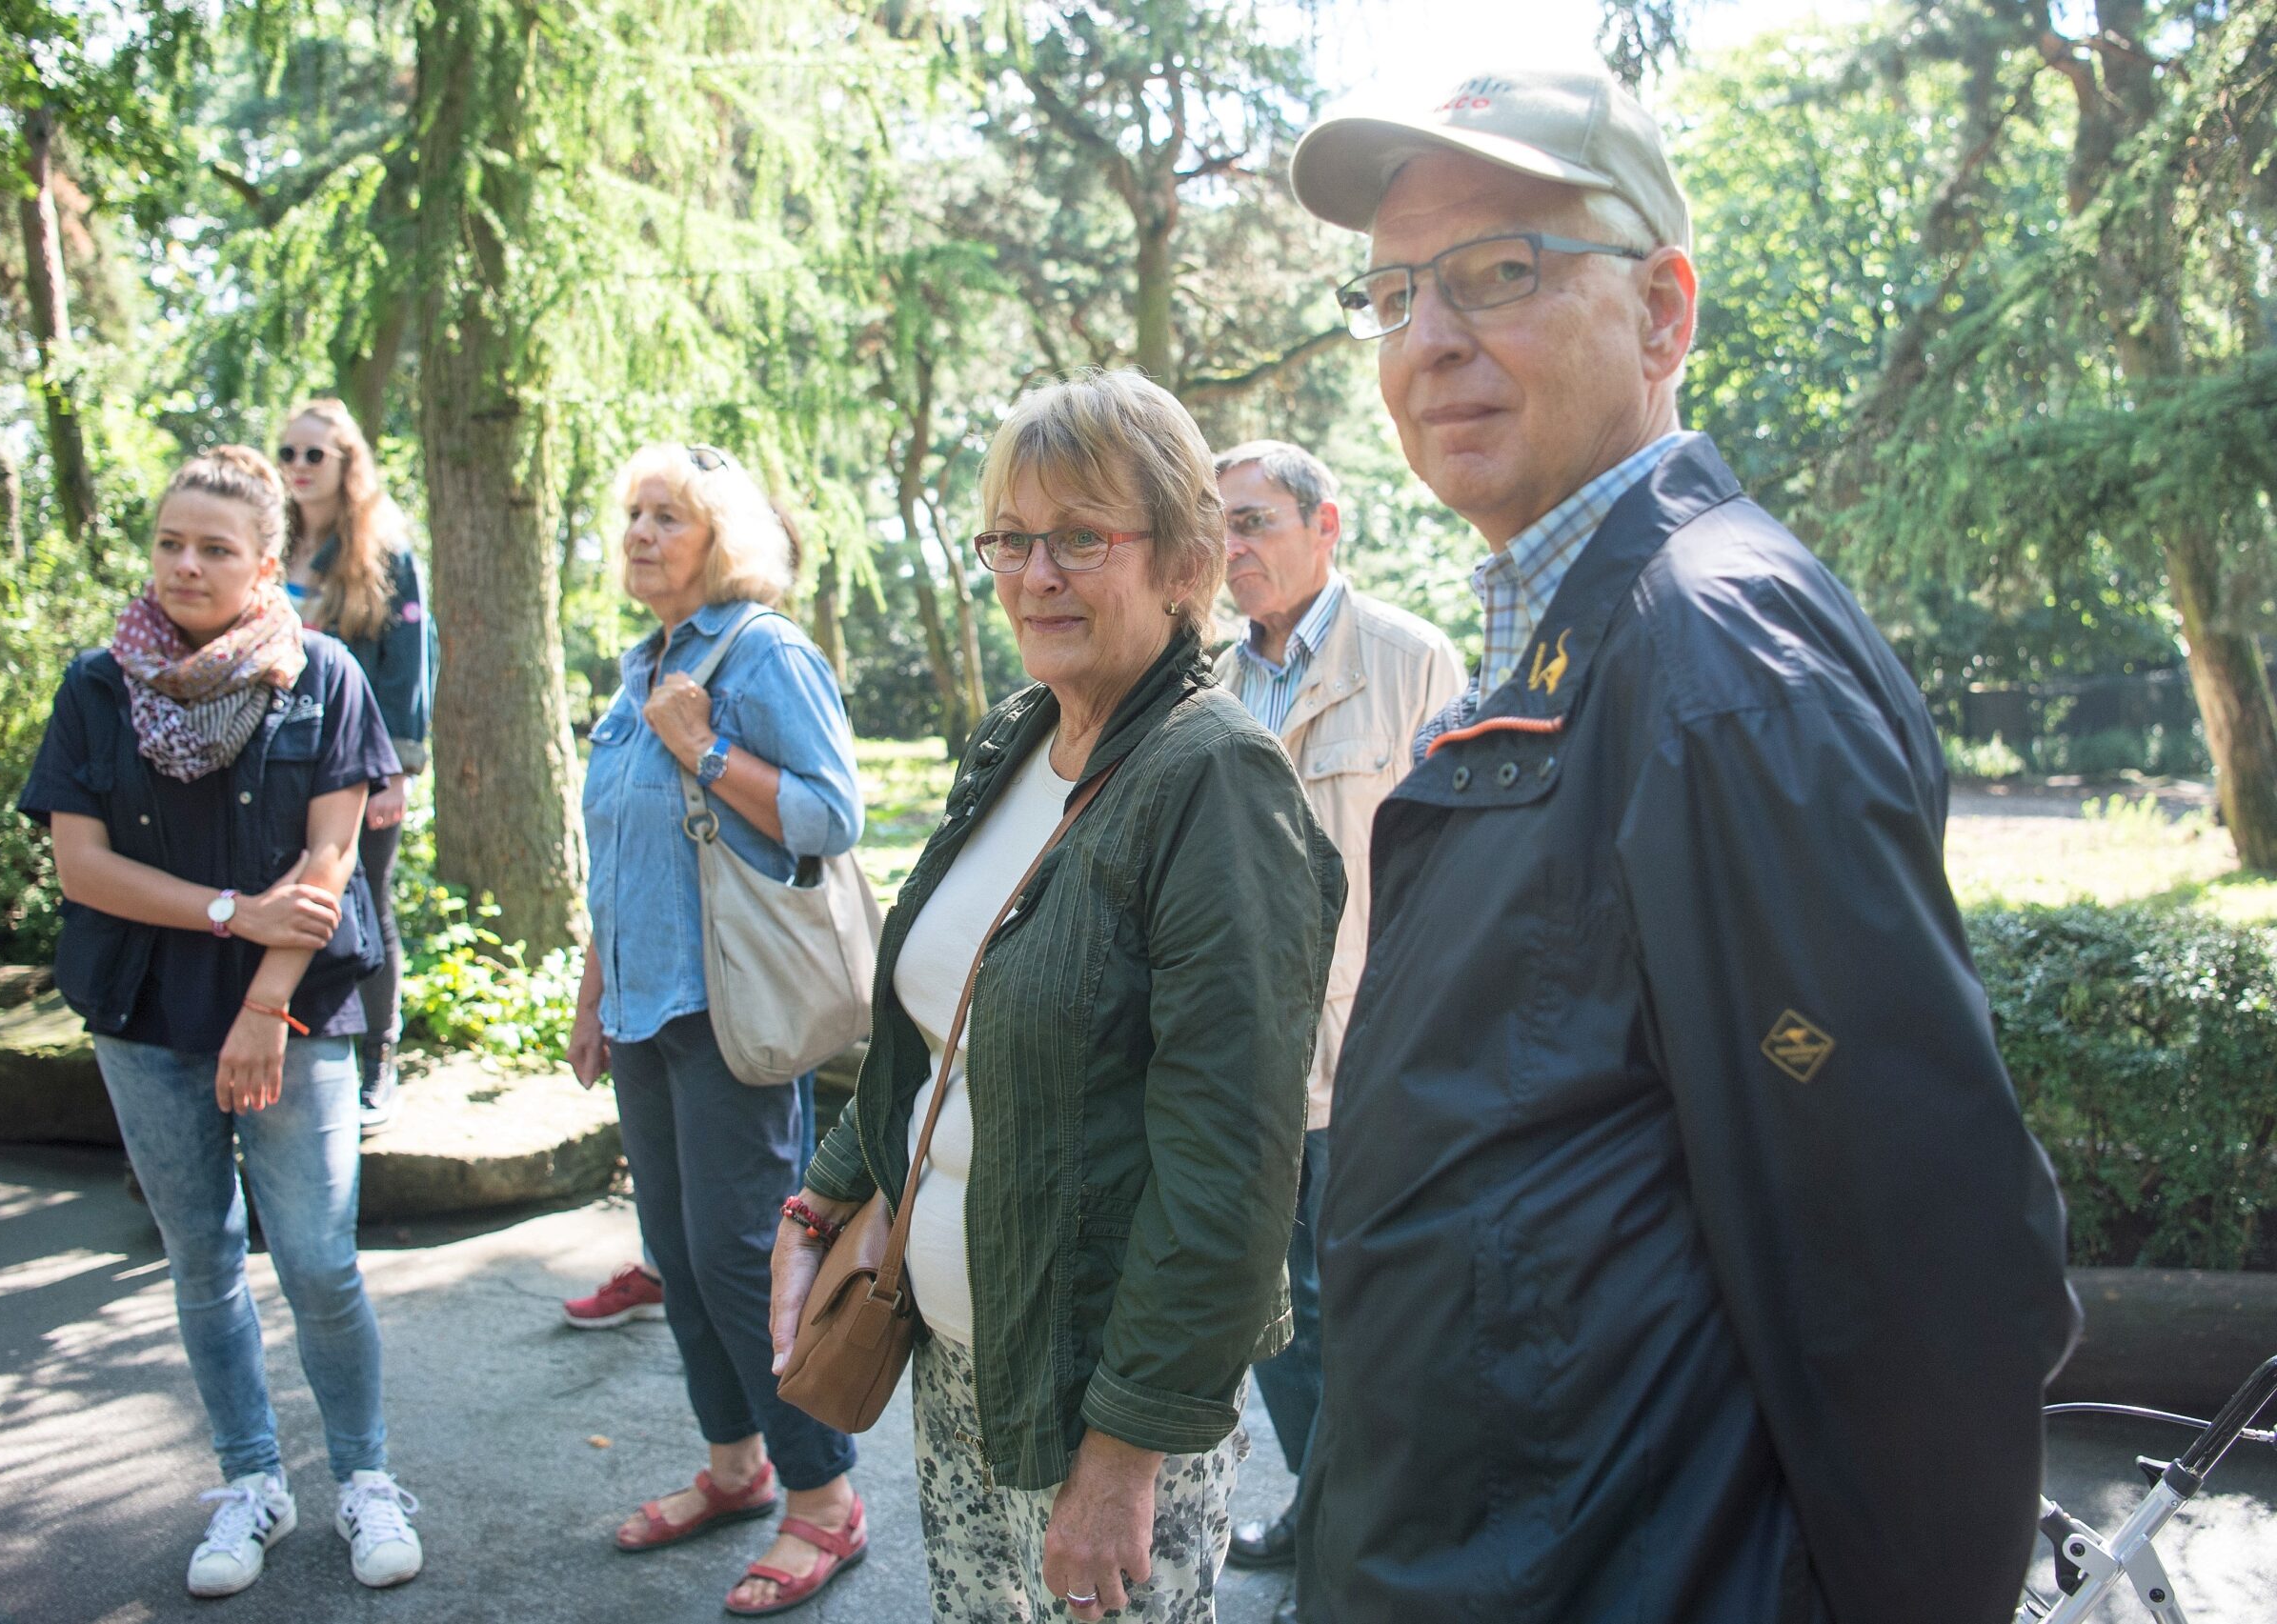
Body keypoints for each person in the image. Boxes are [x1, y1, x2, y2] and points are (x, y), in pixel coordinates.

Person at [1284, 69, 2079, 1623]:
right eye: (1391, 291)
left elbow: (1921, 1275)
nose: (1428, 338)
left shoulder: (1713, 670)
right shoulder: (1594, 637)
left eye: (1501, 269)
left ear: (1662, 316)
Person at [770, 371, 1346, 1624]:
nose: (1037, 574)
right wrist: (825, 1192)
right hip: (964, 1356)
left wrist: (1126, 1451)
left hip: (1102, 1393)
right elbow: (937, 1027)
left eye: (1082, 536)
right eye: (1012, 539)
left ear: (1186, 557)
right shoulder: (1023, 732)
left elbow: (1230, 1175)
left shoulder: (1216, 783)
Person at [18, 448, 424, 1597]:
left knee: (318, 1262)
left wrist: (262, 1001)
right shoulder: (99, 684)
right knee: (201, 1259)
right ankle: (251, 1480)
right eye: (168, 543)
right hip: (142, 1011)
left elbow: (332, 860)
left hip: (291, 1012)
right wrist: (224, 912)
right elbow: (83, 867)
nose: (184, 565)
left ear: (263, 566)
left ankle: (363, 1476)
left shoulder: (324, 675)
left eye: (214, 548)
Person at [564, 441, 866, 1615]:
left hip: (729, 1005)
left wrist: (707, 745)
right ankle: (736, 1468)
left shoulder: (762, 654)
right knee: (679, 1255)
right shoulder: (643, 661)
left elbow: (830, 813)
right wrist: (595, 996)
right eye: (632, 513)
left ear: (721, 538)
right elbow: (620, 849)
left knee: (744, 1255)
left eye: (668, 517)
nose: (640, 533)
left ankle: (826, 1500)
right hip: (645, 1008)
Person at [1206, 441, 1461, 1605]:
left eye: (1251, 521)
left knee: (1369, 1310)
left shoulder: (1411, 661)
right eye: (1216, 527)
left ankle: (1377, 1535)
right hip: (1243, 1063)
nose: (1230, 548)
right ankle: (1325, 1508)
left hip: (1370, 1064)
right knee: (1271, 1314)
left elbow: (1458, 878)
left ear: (1327, 524)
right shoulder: (1207, 681)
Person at [274, 399, 435, 1133]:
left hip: (356, 757)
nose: (300, 468)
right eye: (289, 453)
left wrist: (398, 765)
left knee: (364, 900)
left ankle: (378, 1058)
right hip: (274, 761)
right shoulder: (263, 540)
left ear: (347, 464)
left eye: (316, 454)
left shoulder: (383, 548)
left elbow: (408, 661)